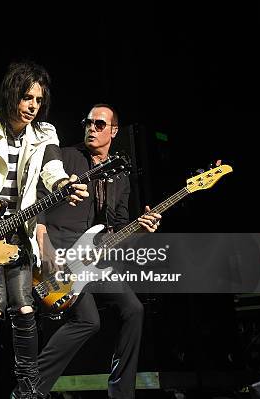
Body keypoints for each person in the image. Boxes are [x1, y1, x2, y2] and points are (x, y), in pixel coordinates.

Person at [0, 61, 89, 399]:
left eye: (38, 99)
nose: (33, 106)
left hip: (17, 230)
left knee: (24, 307)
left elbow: (52, 167)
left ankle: (28, 388)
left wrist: (65, 183)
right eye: (26, 97)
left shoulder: (44, 134)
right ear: (11, 94)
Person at [33, 104, 162, 399]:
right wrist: (44, 244)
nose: (92, 128)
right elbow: (36, 199)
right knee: (89, 320)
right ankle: (31, 389)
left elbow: (116, 227)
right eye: (88, 122)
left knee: (134, 309)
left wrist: (140, 229)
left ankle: (121, 392)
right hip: (58, 251)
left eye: (100, 124)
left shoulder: (120, 175)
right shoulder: (65, 157)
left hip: (90, 257)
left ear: (114, 131)